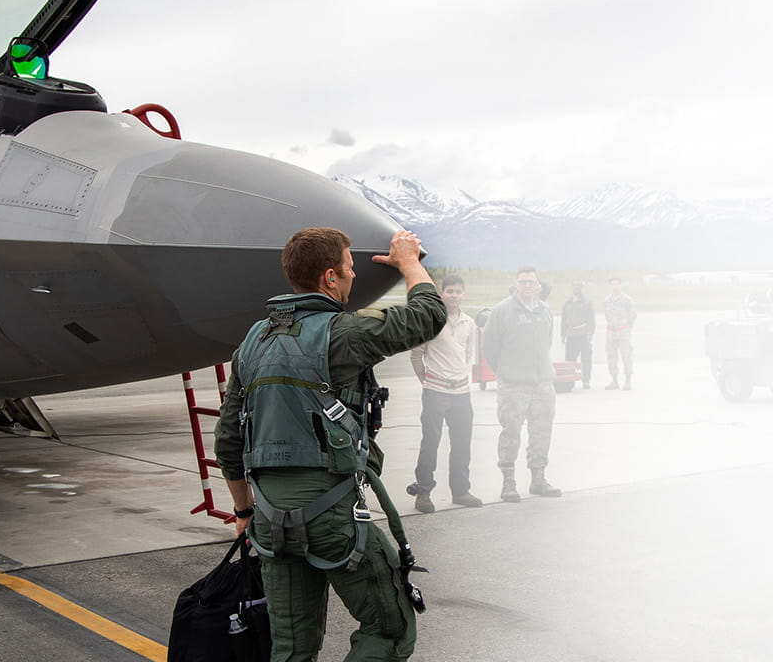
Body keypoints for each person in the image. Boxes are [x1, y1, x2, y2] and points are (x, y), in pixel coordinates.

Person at [215, 227, 444, 662]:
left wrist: (244, 514)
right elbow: (427, 316)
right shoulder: (344, 333)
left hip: (267, 520)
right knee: (388, 628)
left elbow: (228, 440)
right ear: (329, 278)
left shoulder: (251, 341)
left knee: (291, 648)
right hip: (332, 516)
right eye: (350, 268)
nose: (355, 276)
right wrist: (409, 261)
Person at [483, 267, 562, 501]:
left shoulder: (545, 311)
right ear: (516, 284)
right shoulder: (502, 311)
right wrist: (506, 373)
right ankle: (508, 481)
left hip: (542, 384)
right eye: (523, 282)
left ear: (538, 285)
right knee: (511, 432)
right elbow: (489, 347)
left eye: (532, 282)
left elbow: (546, 342)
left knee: (541, 432)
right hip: (514, 385)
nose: (528, 286)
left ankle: (538, 478)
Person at [407, 274, 482, 513]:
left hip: (461, 392)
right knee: (431, 442)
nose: (454, 295)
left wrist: (460, 379)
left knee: (462, 442)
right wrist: (427, 381)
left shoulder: (469, 323)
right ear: (442, 293)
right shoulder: (431, 321)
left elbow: (468, 354)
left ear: (464, 294)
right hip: (435, 391)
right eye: (450, 291)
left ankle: (460, 490)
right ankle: (424, 492)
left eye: (459, 291)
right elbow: (416, 355)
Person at [560, 281, 595, 391]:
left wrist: (590, 333)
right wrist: (563, 334)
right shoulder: (567, 302)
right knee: (570, 360)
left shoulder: (587, 302)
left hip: (583, 334)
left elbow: (591, 319)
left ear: (582, 287)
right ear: (572, 287)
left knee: (586, 359)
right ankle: (569, 382)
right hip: (571, 335)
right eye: (574, 285)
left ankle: (586, 381)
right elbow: (564, 320)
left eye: (579, 286)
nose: (576, 288)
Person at [604, 276, 637, 390]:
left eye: (616, 284)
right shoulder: (607, 300)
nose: (614, 286)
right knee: (611, 356)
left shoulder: (627, 299)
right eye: (612, 284)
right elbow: (606, 315)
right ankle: (614, 381)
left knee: (626, 356)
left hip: (623, 331)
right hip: (611, 332)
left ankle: (628, 381)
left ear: (620, 285)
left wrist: (627, 327)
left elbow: (632, 315)